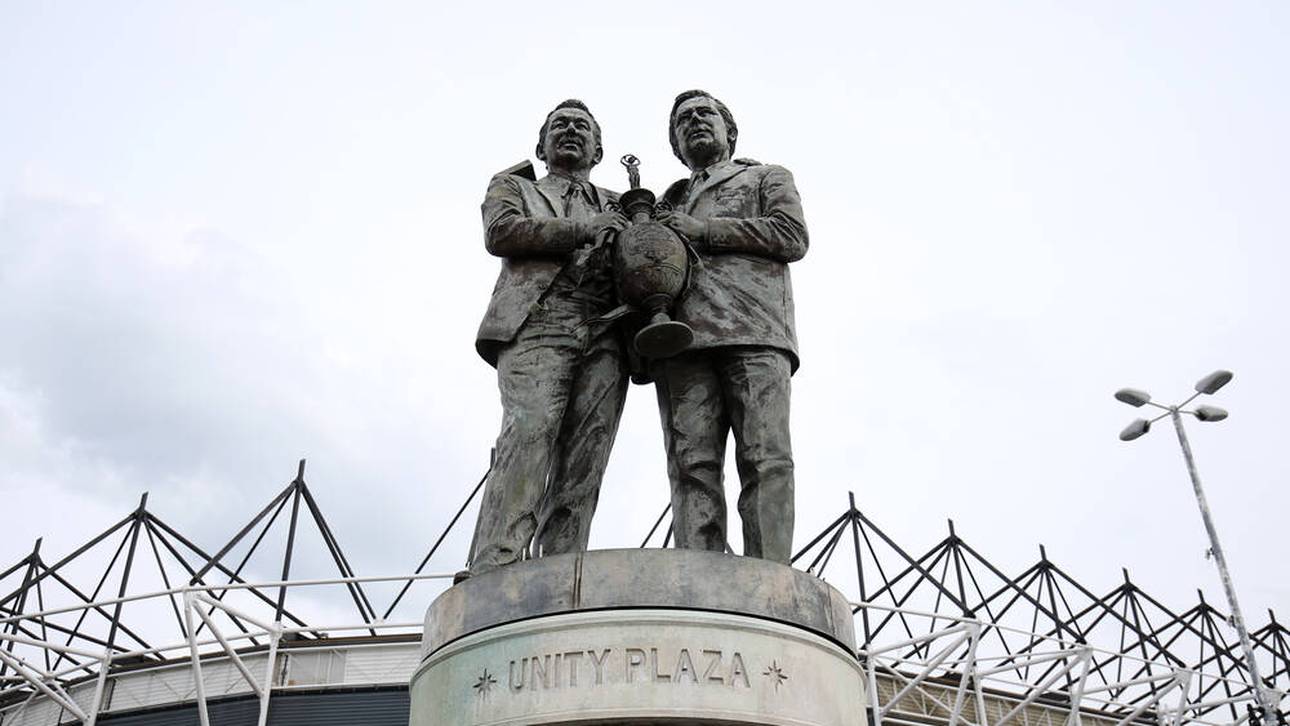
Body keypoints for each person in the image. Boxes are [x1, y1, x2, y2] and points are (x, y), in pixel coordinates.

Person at [466, 99, 629, 578]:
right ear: (541, 145)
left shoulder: (620, 204)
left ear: (598, 150)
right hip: (539, 321)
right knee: (530, 433)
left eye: (583, 127)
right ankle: (494, 563)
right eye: (561, 125)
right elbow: (502, 232)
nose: (571, 131)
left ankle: (561, 568)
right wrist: (584, 230)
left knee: (587, 454)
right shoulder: (513, 186)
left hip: (606, 329)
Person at [651, 89, 809, 564]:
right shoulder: (667, 201)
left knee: (765, 457)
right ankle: (700, 577)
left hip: (755, 329)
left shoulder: (765, 176)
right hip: (683, 340)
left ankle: (770, 574)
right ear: (677, 144)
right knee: (690, 465)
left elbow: (792, 235)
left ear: (729, 131)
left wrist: (705, 231)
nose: (695, 121)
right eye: (684, 120)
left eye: (705, 114)